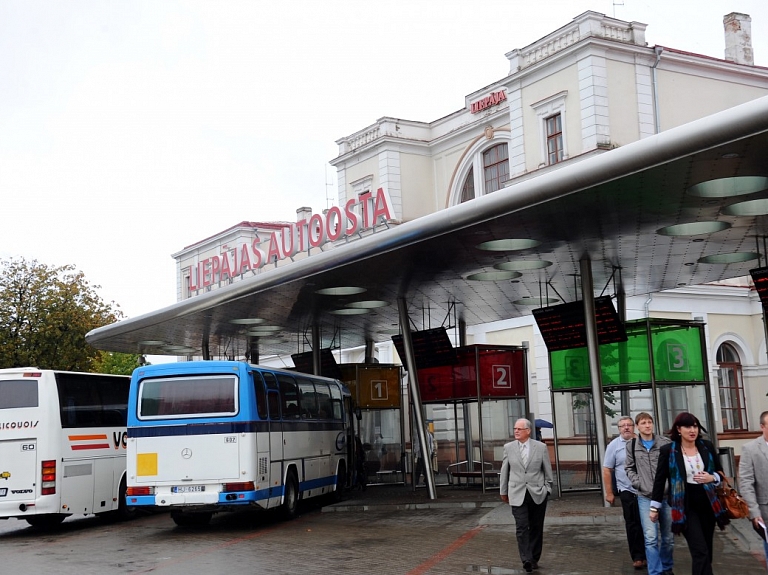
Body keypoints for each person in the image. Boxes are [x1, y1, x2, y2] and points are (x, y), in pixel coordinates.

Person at [650, 412, 729, 575]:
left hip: (709, 504)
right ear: (679, 429)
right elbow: (659, 480)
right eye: (688, 426)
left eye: (695, 426)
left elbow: (720, 473)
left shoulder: (706, 446)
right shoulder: (668, 451)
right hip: (685, 506)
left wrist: (711, 477)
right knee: (700, 551)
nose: (692, 430)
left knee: (707, 551)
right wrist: (654, 507)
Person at [500, 418, 553, 573]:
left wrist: (548, 489)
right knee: (522, 527)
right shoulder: (509, 448)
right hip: (517, 493)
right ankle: (526, 559)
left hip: (537, 493)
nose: (516, 431)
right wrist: (503, 491)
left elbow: (547, 470)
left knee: (536, 527)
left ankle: (534, 558)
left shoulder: (540, 447)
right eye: (515, 428)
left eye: (519, 429)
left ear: (528, 431)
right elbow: (505, 471)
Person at [626, 412, 674, 575]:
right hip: (645, 497)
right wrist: (638, 483)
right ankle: (655, 572)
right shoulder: (632, 445)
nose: (647, 425)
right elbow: (629, 468)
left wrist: (669, 485)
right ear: (637, 427)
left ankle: (667, 567)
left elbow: (673, 467)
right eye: (643, 423)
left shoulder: (665, 443)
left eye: (649, 422)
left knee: (668, 538)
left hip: (666, 497)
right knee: (651, 537)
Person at [603, 416, 646, 570]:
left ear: (634, 427)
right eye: (623, 426)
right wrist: (609, 493)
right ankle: (638, 556)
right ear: (619, 429)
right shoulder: (614, 446)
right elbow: (607, 469)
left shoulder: (643, 441)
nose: (626, 428)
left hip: (646, 490)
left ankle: (649, 553)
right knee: (633, 524)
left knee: (647, 523)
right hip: (627, 490)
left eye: (629, 425)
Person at [738, 409, 768, 572]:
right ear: (762, 426)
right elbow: (746, 482)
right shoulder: (750, 449)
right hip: (766, 510)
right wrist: (754, 512)